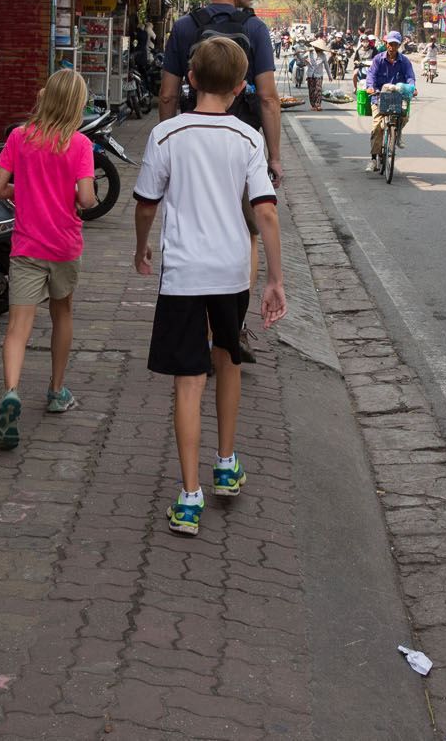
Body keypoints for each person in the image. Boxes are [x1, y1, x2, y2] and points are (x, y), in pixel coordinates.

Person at [134, 37, 287, 537]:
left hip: (182, 274)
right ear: (242, 86)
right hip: (230, 272)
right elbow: (264, 210)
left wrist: (141, 246)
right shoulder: (248, 139)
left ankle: (189, 496)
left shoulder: (165, 136)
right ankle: (226, 465)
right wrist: (275, 279)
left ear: (191, 79)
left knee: (188, 382)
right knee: (227, 359)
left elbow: (146, 203)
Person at [159, 0, 283, 364]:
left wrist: (168, 138)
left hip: (192, 139)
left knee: (194, 221)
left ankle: (200, 326)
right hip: (241, 141)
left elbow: (167, 94)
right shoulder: (256, 29)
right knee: (245, 231)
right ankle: (234, 322)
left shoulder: (183, 27)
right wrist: (275, 154)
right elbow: (267, 97)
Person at [0, 69, 99, 452]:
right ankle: (55, 391)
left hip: (26, 247)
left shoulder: (20, 137)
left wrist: (29, 189)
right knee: (62, 314)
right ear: (77, 105)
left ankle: (12, 391)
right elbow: (86, 200)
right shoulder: (81, 144)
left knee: (18, 326)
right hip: (64, 247)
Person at [365, 31, 417, 171]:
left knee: (404, 116)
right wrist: (370, 87)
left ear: (399, 45)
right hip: (379, 96)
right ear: (386, 44)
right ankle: (374, 159)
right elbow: (371, 76)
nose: (392, 47)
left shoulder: (404, 61)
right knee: (376, 127)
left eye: (395, 44)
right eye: (390, 44)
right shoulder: (378, 59)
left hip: (397, 98)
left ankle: (397, 134)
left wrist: (412, 88)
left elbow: (410, 77)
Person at [307, 38, 328, 110]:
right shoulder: (310, 53)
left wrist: (330, 75)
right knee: (311, 90)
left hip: (319, 75)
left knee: (318, 89)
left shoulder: (323, 56)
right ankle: (313, 105)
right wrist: (298, 55)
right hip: (310, 75)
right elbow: (302, 59)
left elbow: (326, 66)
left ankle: (318, 105)